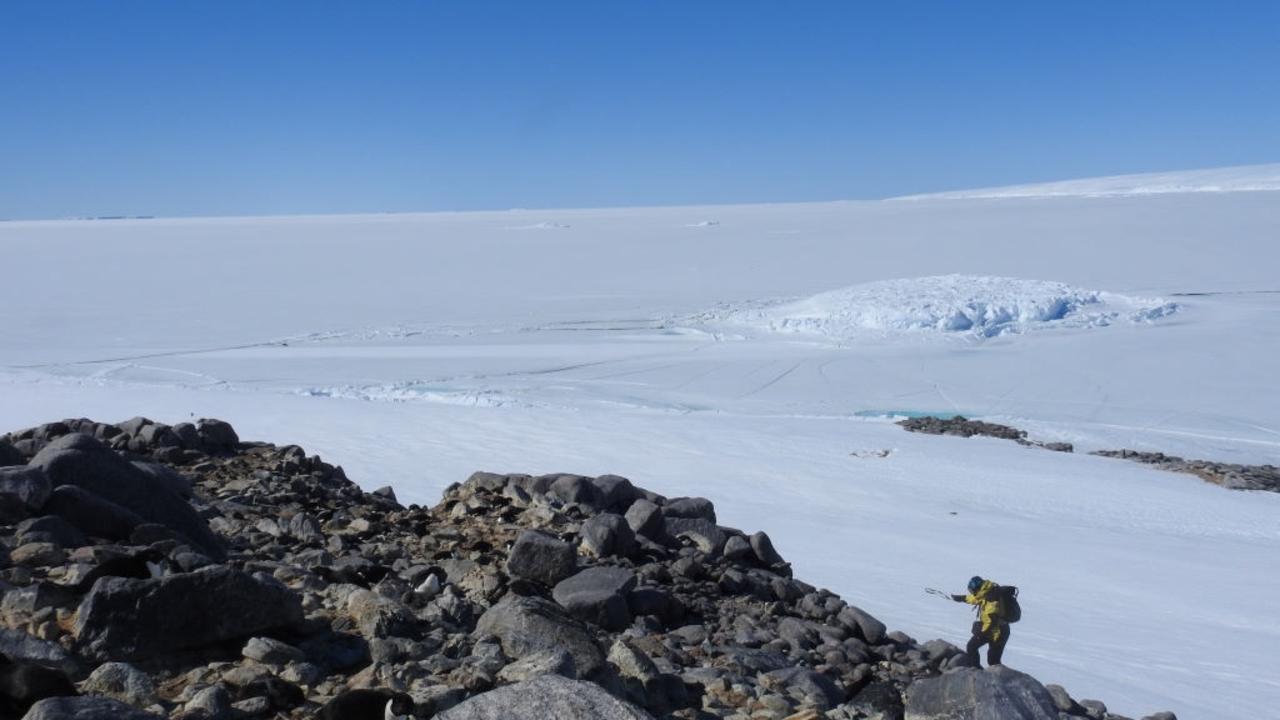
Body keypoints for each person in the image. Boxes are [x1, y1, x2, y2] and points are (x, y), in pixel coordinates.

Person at [952, 575, 1009, 667]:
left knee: (993, 661)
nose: (971, 592)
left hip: (998, 633)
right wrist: (962, 598)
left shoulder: (992, 600)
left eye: (972, 590)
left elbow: (991, 623)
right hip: (992, 629)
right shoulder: (985, 592)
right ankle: (976, 670)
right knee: (972, 647)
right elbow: (976, 598)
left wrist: (981, 634)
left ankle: (981, 673)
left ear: (977, 588)